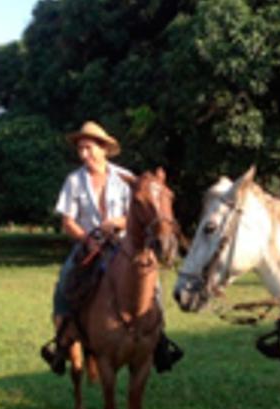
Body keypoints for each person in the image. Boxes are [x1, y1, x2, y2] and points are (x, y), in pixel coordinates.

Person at [43, 121, 181, 375]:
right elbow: (67, 222)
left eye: (89, 148)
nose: (84, 154)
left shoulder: (126, 178)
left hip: (123, 244)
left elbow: (139, 214)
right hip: (88, 244)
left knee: (153, 284)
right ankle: (62, 343)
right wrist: (87, 239)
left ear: (104, 149)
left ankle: (159, 340)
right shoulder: (74, 181)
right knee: (65, 281)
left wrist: (118, 222)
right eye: (80, 149)